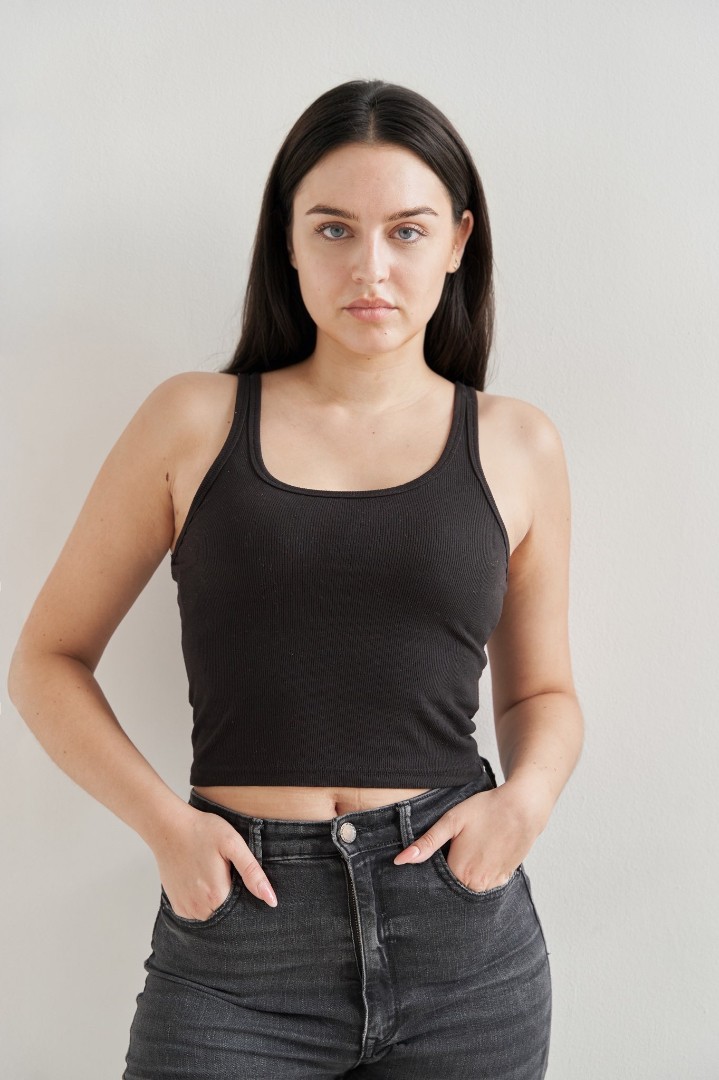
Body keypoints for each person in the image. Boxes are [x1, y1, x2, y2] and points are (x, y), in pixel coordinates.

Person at [8, 79, 584, 1078]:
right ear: (287, 239)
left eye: (406, 232)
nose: (370, 267)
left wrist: (522, 805)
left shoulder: (515, 443)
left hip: (461, 940)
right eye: (333, 229)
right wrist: (167, 828)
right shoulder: (193, 421)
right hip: (239, 934)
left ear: (457, 241)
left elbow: (541, 693)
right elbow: (46, 661)